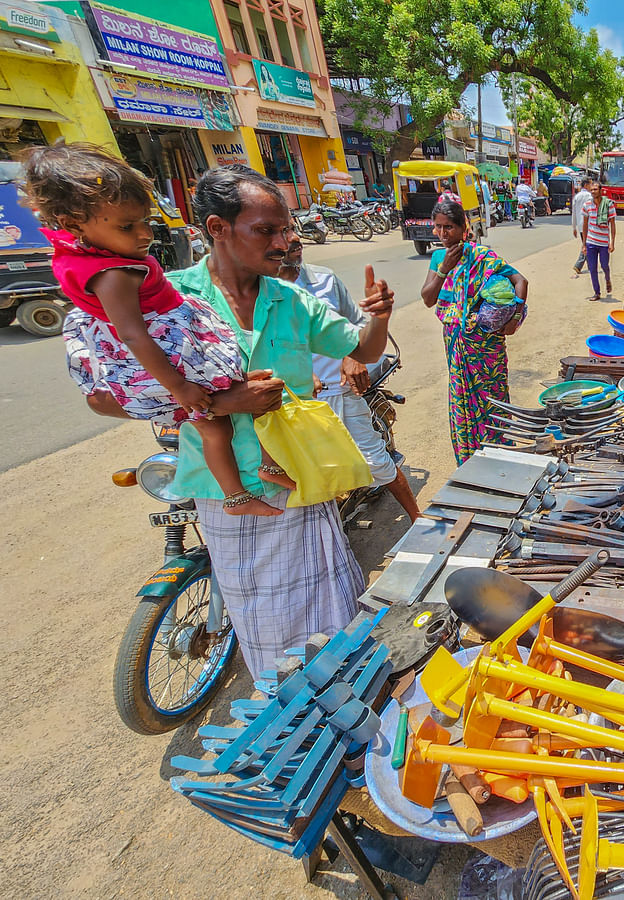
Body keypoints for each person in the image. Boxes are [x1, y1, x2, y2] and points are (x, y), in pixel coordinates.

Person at [82, 164, 396, 676]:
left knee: (333, 611)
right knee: (270, 631)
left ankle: (347, 701)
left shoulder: (292, 300)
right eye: (266, 230)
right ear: (216, 228)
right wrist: (221, 404)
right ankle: (295, 719)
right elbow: (104, 396)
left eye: (286, 228)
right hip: (229, 497)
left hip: (300, 480)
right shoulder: (166, 300)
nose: (284, 241)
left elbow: (361, 347)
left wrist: (379, 315)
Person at [23, 143, 293, 519]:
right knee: (226, 417)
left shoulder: (88, 256)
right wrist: (180, 388)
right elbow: (133, 336)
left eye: (145, 221)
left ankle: (256, 475)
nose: (144, 234)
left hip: (173, 344)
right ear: (74, 224)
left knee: (240, 400)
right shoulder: (113, 274)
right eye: (127, 226)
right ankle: (241, 493)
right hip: (168, 353)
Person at [279, 238, 421, 522]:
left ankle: (418, 519)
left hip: (342, 391)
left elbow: (356, 325)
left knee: (378, 462)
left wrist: (351, 355)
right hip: (297, 403)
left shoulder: (324, 279)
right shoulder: (253, 291)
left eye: (291, 228)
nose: (293, 238)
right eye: (279, 231)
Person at [419, 200, 529, 464]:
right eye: (439, 228)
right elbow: (427, 298)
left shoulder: (482, 256)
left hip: (486, 344)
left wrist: (514, 318)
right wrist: (443, 270)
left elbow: (520, 281)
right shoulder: (438, 259)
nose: (444, 234)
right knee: (462, 399)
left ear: (463, 228)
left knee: (493, 397)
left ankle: (500, 453)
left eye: (450, 228)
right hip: (456, 343)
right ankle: (470, 461)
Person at [581, 181, 616, 301]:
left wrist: (612, 242)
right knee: (592, 268)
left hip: (603, 242)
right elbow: (584, 225)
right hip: (591, 242)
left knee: (605, 265)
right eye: (591, 190)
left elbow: (612, 224)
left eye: (595, 189)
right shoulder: (587, 205)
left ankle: (607, 279)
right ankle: (597, 292)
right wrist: (583, 244)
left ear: (600, 191)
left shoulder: (608, 205)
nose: (593, 192)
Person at [571, 177, 594, 277]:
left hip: (580, 226)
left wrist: (574, 227)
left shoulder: (577, 197)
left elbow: (574, 213)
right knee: (587, 245)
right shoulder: (590, 196)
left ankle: (591, 266)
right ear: (586, 185)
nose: (592, 186)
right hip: (589, 224)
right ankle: (578, 264)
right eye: (590, 184)